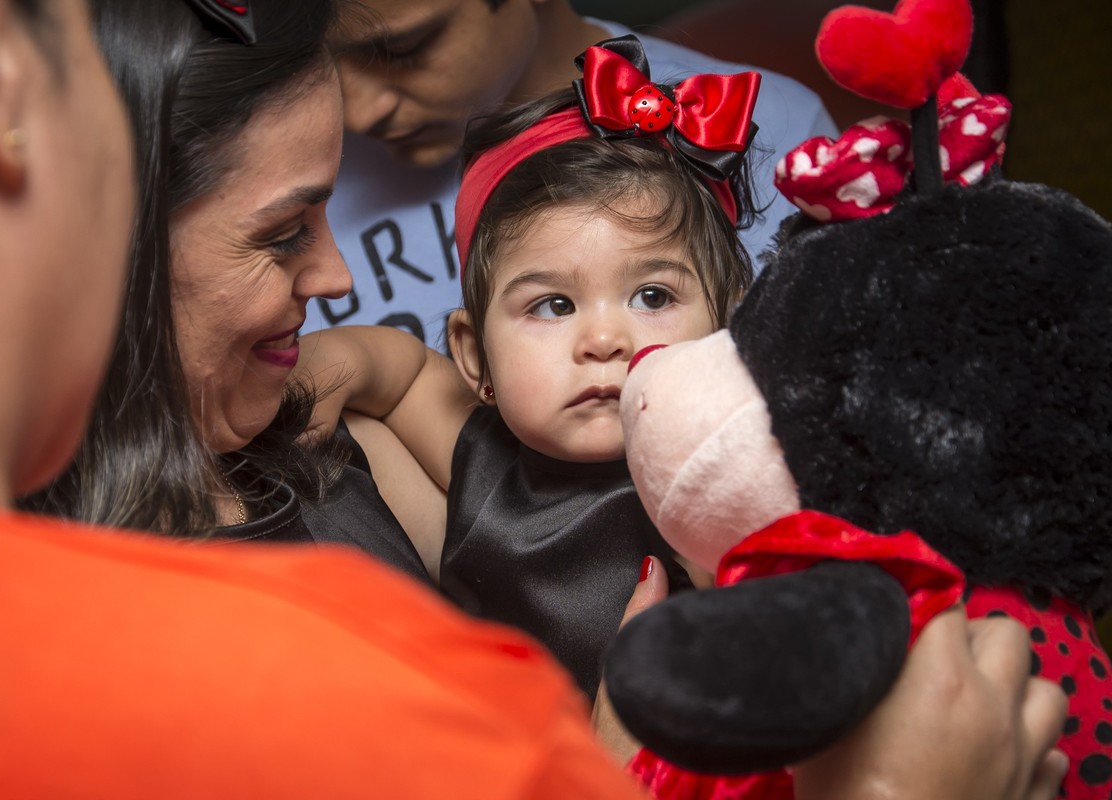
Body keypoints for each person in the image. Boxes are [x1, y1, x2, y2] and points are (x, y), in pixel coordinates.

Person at [0, 0, 1071, 796]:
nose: (337, 273)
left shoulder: (326, 467)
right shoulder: (304, 670)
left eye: (654, 293)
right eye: (280, 231)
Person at [299, 37, 793, 700]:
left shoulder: (750, 467)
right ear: (475, 357)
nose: (604, 340)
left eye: (653, 297)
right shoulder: (489, 470)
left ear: (734, 324)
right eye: (553, 305)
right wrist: (327, 360)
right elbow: (404, 372)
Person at [19, 0, 438, 585]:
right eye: (284, 234)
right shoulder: (35, 584)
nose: (337, 277)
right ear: (110, 248)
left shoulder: (339, 456)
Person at [304, 0, 838, 348]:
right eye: (318, 59)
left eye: (402, 50)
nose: (358, 113)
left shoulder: (747, 124)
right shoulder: (295, 155)